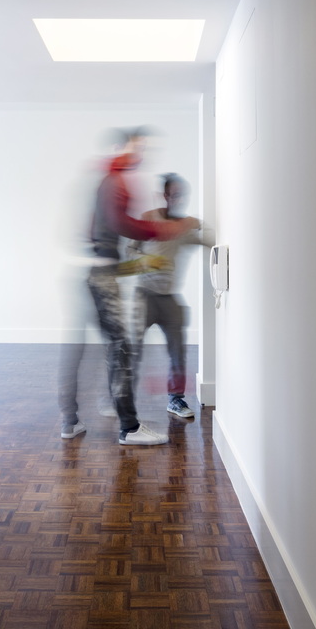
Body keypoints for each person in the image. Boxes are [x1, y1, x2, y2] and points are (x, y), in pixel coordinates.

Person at [59, 128, 195, 445]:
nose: (141, 154)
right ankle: (129, 427)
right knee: (120, 347)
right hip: (100, 278)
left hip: (93, 273)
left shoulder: (103, 180)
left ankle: (72, 420)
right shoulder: (114, 181)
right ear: (119, 147)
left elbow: (105, 246)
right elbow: (122, 225)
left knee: (87, 350)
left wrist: (145, 262)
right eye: (138, 147)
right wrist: (162, 230)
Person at [130, 173, 214, 420]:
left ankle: (175, 399)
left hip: (169, 298)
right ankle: (121, 398)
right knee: (132, 350)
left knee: (178, 351)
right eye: (174, 194)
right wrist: (147, 260)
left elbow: (209, 241)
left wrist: (200, 223)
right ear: (164, 195)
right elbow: (130, 250)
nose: (178, 199)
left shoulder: (185, 227)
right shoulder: (148, 219)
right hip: (144, 296)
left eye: (181, 195)